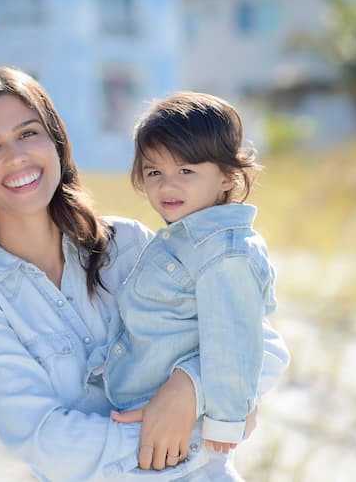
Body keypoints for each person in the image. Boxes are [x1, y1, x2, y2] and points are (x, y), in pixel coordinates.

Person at [0, 67, 290, 481]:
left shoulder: (130, 245)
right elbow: (46, 441)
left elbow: (264, 348)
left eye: (29, 133)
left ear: (56, 144)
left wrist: (189, 389)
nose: (17, 157)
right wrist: (199, 428)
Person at [102, 91, 278, 480]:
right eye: (154, 173)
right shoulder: (183, 240)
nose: (168, 186)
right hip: (153, 427)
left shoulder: (224, 253)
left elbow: (233, 337)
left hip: (192, 446)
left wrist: (226, 424)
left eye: (186, 171)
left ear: (227, 175)